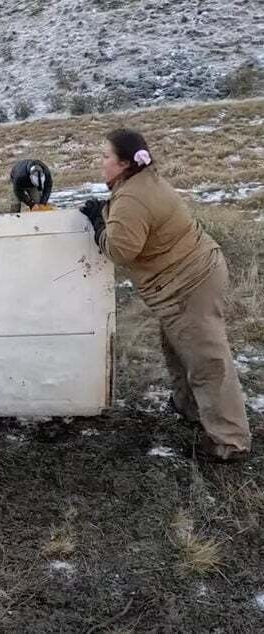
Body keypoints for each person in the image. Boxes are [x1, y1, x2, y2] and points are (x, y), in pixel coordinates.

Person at [80, 129, 251, 462]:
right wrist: (105, 213)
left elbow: (121, 250)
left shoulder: (131, 197)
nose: (100, 163)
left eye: (105, 157)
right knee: (177, 346)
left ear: (125, 163)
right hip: (189, 278)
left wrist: (99, 228)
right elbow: (136, 218)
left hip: (189, 284)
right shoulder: (139, 182)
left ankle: (230, 443)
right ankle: (190, 408)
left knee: (207, 362)